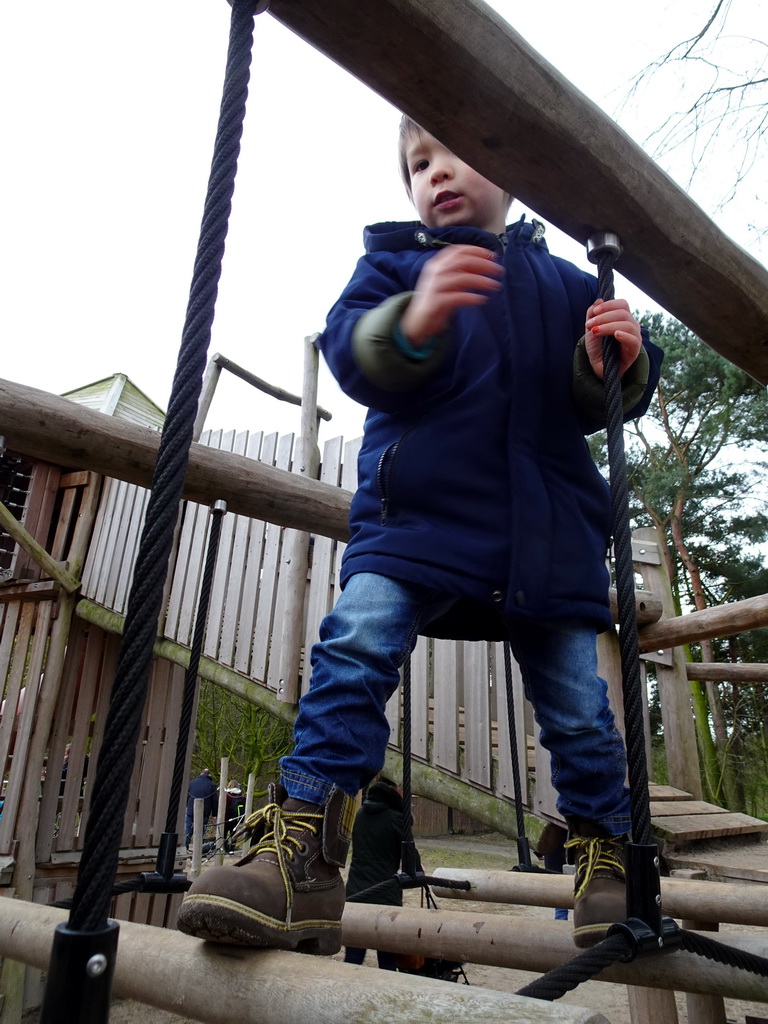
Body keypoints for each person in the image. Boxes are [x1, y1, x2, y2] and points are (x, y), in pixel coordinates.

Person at [178, 116, 663, 953]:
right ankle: (305, 854)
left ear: (508, 171)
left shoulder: (561, 282)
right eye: (416, 163)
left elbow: (597, 401)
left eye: (452, 152)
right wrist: (416, 314)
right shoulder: (394, 266)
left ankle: (605, 855)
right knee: (355, 645)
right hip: (416, 522)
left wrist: (612, 358)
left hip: (545, 537)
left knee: (580, 708)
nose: (433, 173)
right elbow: (357, 354)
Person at [344, 777, 404, 971]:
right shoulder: (397, 819)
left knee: (353, 957)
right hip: (385, 893)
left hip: (356, 891)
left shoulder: (360, 815)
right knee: (387, 957)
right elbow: (411, 860)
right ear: (393, 793)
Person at [185, 768, 217, 850]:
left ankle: (185, 846)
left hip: (191, 809)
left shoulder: (191, 782)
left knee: (188, 829)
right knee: (201, 830)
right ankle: (198, 849)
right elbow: (214, 800)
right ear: (209, 775)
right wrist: (214, 813)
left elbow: (187, 796)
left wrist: (187, 806)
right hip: (204, 811)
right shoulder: (212, 784)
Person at [223, 781, 245, 853]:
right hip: (236, 817)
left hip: (227, 817)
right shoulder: (241, 795)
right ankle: (232, 847)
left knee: (224, 833)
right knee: (234, 833)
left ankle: (225, 847)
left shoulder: (226, 795)